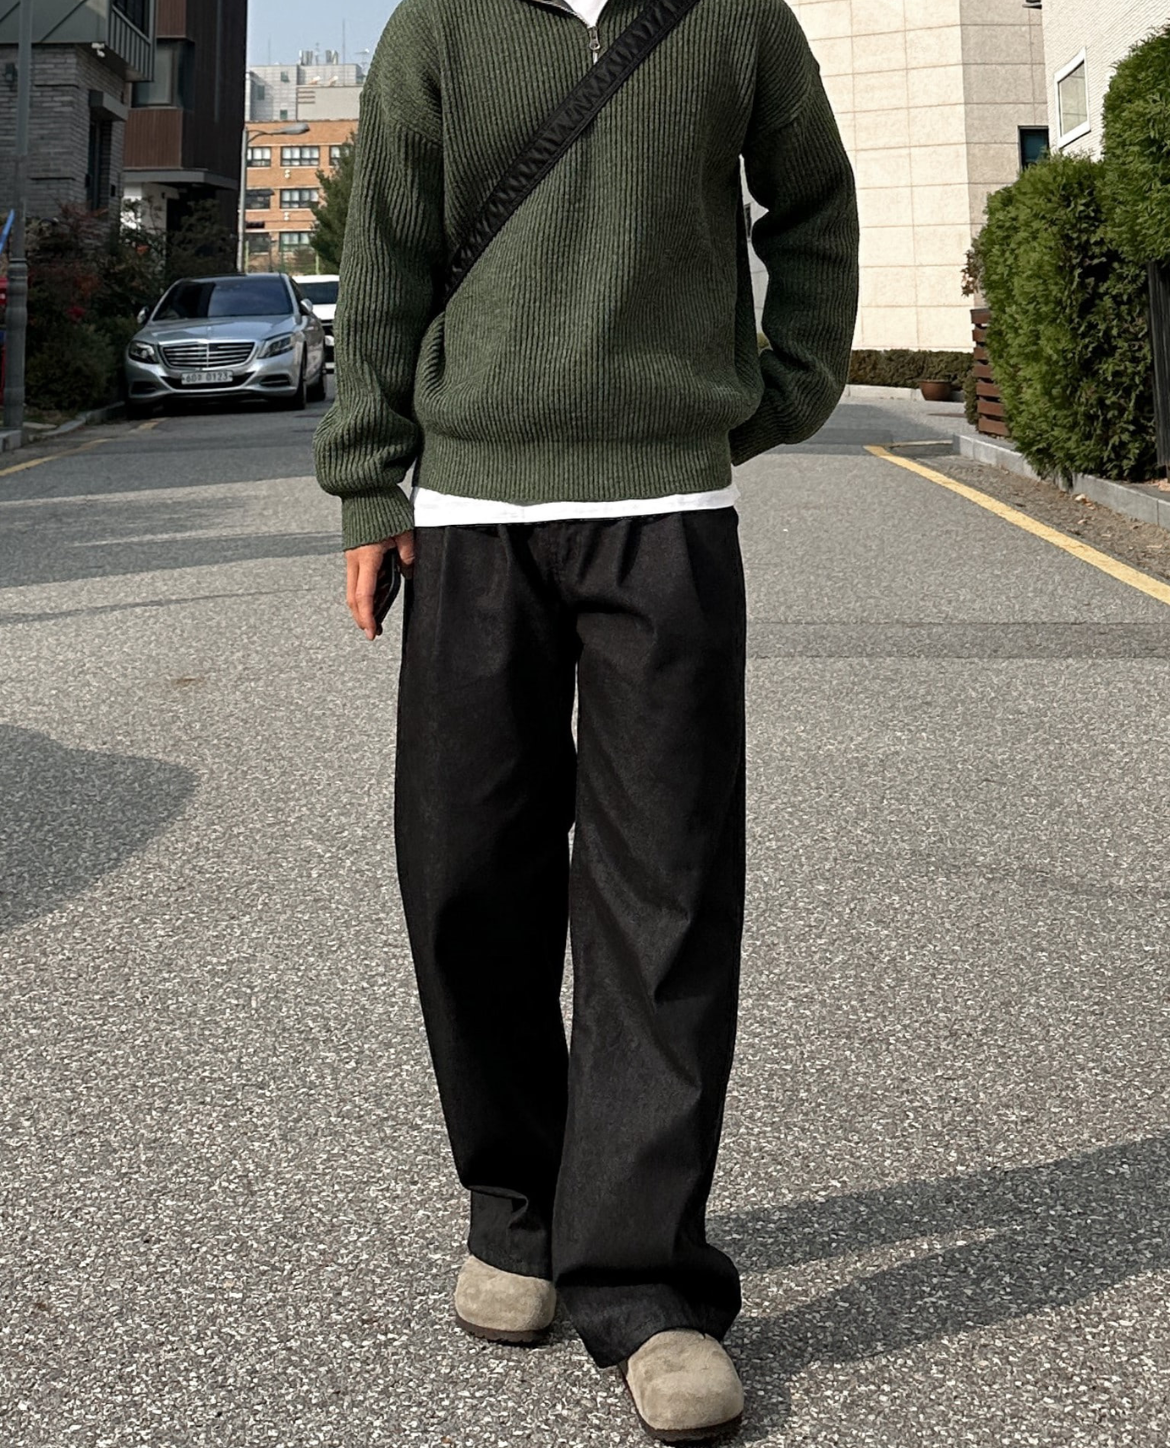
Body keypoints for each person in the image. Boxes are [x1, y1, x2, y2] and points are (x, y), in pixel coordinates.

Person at [314, 0, 858, 1436]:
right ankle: (515, 1209)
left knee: (662, 889)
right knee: (465, 871)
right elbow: (384, 249)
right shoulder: (441, 25)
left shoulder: (736, 17)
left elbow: (813, 201)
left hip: (667, 510)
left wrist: (785, 388)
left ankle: (645, 1283)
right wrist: (369, 481)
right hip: (470, 511)